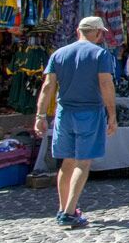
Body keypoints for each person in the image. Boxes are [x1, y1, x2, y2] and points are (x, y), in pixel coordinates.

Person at [33, 16, 117, 229]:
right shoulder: (100, 54)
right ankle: (70, 212)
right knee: (83, 162)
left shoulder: (59, 54)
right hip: (89, 112)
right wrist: (112, 114)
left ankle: (64, 209)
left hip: (64, 113)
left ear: (78, 31)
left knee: (66, 162)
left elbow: (47, 86)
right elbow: (106, 84)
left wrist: (40, 116)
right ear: (98, 33)